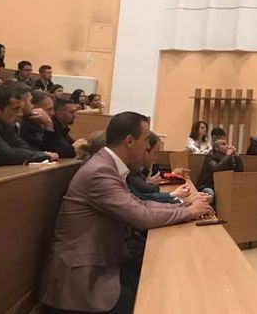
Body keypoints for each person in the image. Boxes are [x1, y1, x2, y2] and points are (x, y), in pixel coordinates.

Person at [40, 111, 214, 314]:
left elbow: (139, 203)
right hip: (81, 281)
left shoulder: (107, 166)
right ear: (130, 141)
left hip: (103, 265)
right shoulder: (100, 171)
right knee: (156, 299)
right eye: (146, 140)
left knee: (160, 281)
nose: (148, 147)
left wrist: (184, 207)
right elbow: (141, 216)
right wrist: (190, 212)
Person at [128, 133, 191, 204]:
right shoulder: (131, 171)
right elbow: (144, 196)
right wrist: (176, 197)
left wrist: (173, 174)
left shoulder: (140, 168)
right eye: (155, 153)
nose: (155, 158)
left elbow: (156, 174)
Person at [196, 129, 244, 194]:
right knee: (210, 193)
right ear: (216, 148)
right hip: (207, 185)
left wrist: (236, 155)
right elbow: (217, 169)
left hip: (222, 185)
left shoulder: (228, 157)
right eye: (223, 144)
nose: (227, 146)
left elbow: (239, 170)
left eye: (227, 144)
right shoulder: (210, 156)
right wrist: (228, 155)